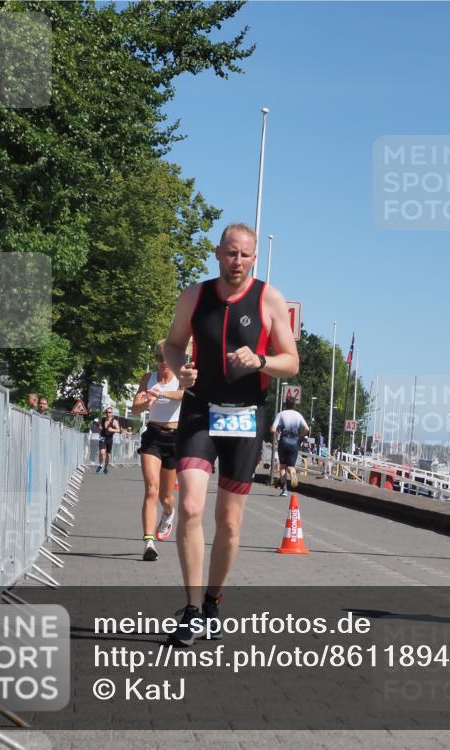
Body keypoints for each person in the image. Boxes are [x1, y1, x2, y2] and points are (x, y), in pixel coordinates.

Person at [163, 222, 299, 646]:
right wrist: (179, 369)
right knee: (189, 506)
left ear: (253, 259)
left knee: (229, 521)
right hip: (201, 409)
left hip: (244, 416)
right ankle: (189, 610)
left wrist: (260, 360)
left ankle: (213, 601)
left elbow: (291, 362)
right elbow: (171, 344)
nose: (236, 261)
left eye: (244, 255)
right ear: (218, 254)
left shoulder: (269, 299)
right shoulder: (195, 295)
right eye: (229, 253)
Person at [131, 341, 185, 562]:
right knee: (151, 490)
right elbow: (135, 407)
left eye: (166, 358)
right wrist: (146, 403)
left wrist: (162, 395)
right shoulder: (147, 378)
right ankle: (149, 543)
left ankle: (169, 513)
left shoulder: (182, 377)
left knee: (166, 496)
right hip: (152, 436)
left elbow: (186, 395)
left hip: (174, 438)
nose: (162, 363)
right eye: (158, 358)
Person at [271, 396, 309, 496]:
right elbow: (306, 428)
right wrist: (299, 437)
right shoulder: (298, 415)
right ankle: (292, 470)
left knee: (282, 467)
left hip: (284, 441)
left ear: (285, 404)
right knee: (290, 466)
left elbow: (273, 429)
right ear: (294, 405)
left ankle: (284, 490)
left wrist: (279, 430)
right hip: (295, 441)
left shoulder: (281, 414)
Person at [96, 407, 121, 474]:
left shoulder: (114, 421)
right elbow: (99, 426)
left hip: (109, 438)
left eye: (109, 412)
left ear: (112, 413)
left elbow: (119, 430)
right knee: (102, 452)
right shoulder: (103, 419)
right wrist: (99, 426)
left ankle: (106, 467)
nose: (108, 413)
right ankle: (101, 465)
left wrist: (112, 430)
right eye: (107, 412)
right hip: (103, 437)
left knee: (108, 454)